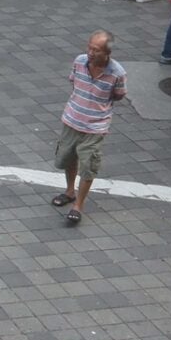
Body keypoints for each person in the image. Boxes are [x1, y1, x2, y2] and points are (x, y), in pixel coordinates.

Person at [51, 30, 126, 227]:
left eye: (97, 50)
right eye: (90, 47)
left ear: (107, 52)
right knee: (68, 157)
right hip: (71, 120)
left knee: (88, 166)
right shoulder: (79, 61)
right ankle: (69, 191)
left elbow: (118, 95)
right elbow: (74, 82)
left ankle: (78, 205)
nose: (91, 53)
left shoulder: (117, 73)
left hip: (95, 127)